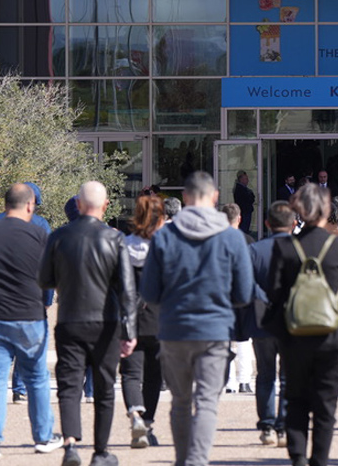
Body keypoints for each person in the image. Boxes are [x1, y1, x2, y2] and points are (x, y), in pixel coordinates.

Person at [143, 171, 254, 466]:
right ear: (215, 197)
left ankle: (184, 461)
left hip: (174, 329)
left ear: (185, 197)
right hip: (214, 329)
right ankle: (197, 460)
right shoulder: (232, 238)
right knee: (206, 401)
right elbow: (244, 292)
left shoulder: (164, 236)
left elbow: (150, 293)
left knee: (180, 401)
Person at [265, 184, 338, 466]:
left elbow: (275, 294)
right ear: (327, 210)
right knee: (326, 404)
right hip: (334, 336)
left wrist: (273, 330)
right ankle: (319, 460)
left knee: (296, 399)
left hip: (294, 335)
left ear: (298, 211)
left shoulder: (285, 247)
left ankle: (298, 457)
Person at [39, 182, 138, 466]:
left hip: (70, 319)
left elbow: (44, 279)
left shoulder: (58, 237)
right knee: (105, 388)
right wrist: (130, 330)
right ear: (105, 205)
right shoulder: (115, 238)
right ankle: (101, 451)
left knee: (69, 385)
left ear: (78, 205)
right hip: (106, 322)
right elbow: (127, 289)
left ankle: (70, 444)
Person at [0, 184, 61, 458]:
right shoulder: (39, 234)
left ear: (5, 204)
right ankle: (43, 437)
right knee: (37, 377)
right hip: (29, 315)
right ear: (30, 205)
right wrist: (46, 301)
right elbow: (50, 277)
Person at [120, 193, 165, 449]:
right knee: (153, 376)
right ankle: (148, 423)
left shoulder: (124, 245)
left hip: (131, 317)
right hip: (159, 318)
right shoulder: (165, 248)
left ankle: (135, 414)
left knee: (130, 373)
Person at [249, 201, 295, 448]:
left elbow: (245, 283)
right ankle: (283, 426)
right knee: (287, 376)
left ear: (267, 223)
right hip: (291, 319)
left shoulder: (254, 250)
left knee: (265, 374)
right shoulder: (300, 249)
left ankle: (266, 425)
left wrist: (264, 299)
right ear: (293, 224)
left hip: (262, 319)